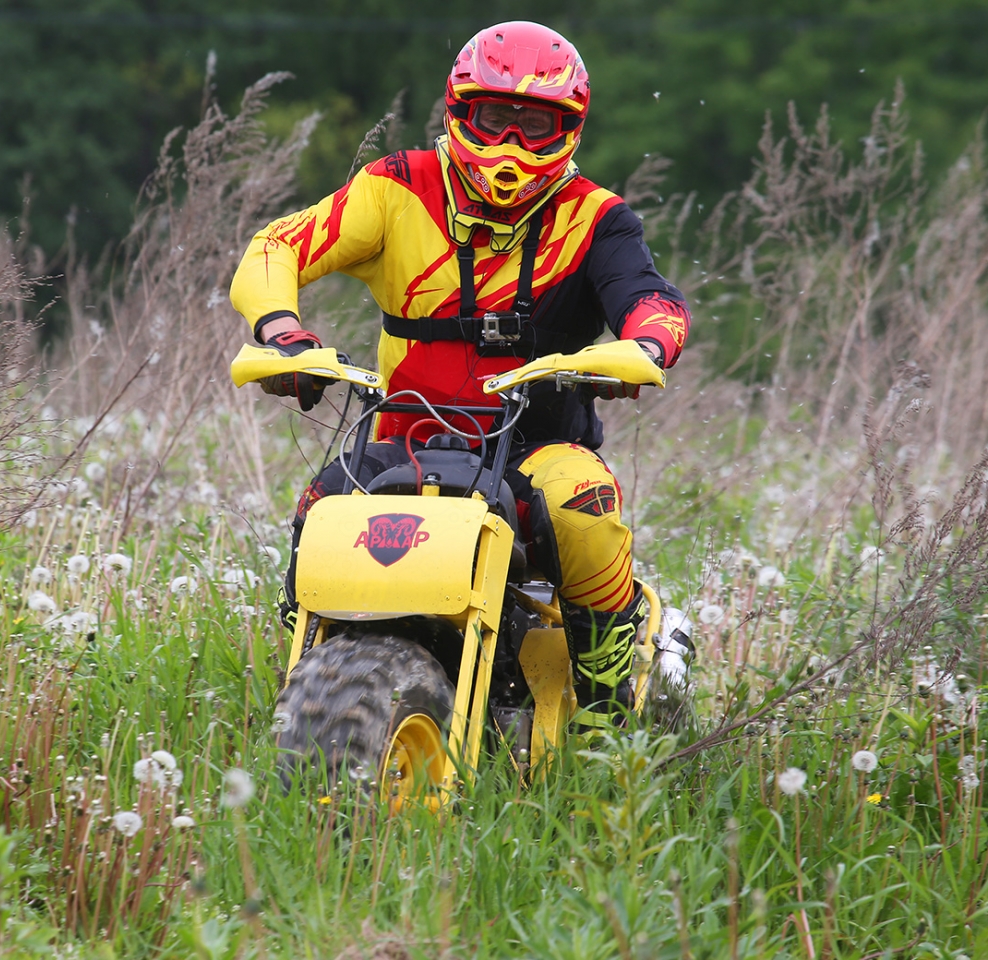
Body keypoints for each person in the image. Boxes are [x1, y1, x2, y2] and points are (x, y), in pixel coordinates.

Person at [229, 20, 691, 736]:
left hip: (536, 448)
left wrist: (645, 350)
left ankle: (607, 714)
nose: (510, 146)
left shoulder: (598, 220)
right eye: (495, 118)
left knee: (581, 508)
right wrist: (283, 334)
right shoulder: (394, 188)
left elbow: (653, 301)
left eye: (535, 125)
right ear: (459, 112)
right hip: (405, 437)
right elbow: (277, 246)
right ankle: (308, 691)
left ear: (568, 130)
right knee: (317, 507)